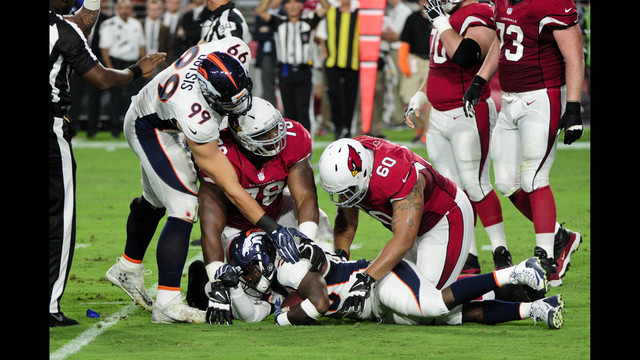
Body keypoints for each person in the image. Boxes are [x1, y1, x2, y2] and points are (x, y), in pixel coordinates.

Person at [105, 38, 303, 324]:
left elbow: (203, 45)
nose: (240, 105)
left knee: (154, 199)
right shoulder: (195, 113)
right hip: (150, 128)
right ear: (208, 96)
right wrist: (272, 228)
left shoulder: (234, 49)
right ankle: (167, 304)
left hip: (160, 110)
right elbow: (231, 188)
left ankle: (127, 267)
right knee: (184, 207)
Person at [50, 0, 166, 327]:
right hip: (50, 128)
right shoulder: (63, 29)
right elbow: (100, 78)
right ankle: (49, 305)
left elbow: (81, 22)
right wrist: (136, 71)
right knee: (59, 218)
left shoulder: (65, 28)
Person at [187, 229, 565, 329]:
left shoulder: (286, 264)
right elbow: (254, 316)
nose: (255, 277)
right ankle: (534, 309)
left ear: (267, 258)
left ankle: (517, 272)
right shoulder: (274, 275)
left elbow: (320, 302)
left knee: (433, 305)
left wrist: (285, 318)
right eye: (248, 273)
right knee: (450, 317)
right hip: (373, 305)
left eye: (254, 269)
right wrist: (227, 284)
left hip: (376, 280)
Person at [462, 0, 584, 287]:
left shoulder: (551, 3)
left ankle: (546, 259)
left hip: (543, 96)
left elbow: (574, 56)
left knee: (533, 177)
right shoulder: (502, 2)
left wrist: (574, 106)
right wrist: (480, 79)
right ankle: (561, 237)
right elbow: (502, 43)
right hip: (511, 99)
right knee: (506, 183)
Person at [187, 97, 334, 324]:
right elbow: (210, 226)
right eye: (263, 135)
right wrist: (217, 281)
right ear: (241, 137)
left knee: (319, 235)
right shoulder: (219, 152)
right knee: (240, 298)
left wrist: (308, 241)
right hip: (235, 227)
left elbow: (305, 197)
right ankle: (201, 280)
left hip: (278, 212)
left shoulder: (293, 138)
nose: (274, 137)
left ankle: (320, 276)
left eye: (275, 128)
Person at [403, 0, 515, 292]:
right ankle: (470, 254)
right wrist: (420, 95)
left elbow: (466, 55)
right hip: (439, 116)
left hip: (467, 110)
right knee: (452, 189)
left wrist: (441, 22)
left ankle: (501, 251)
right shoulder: (447, 15)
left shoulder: (478, 12)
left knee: (475, 184)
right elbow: (439, 66)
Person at [255, 0, 330, 134]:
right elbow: (260, 11)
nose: (293, 6)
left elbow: (326, 7)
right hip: (285, 71)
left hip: (304, 70)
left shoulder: (309, 21)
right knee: (289, 112)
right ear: (285, 6)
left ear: (301, 5)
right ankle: (292, 147)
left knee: (304, 111)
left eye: (296, 2)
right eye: (289, 3)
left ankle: (306, 146)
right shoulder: (279, 21)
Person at [99, 0, 147, 138]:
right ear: (117, 9)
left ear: (131, 9)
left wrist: (143, 67)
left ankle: (132, 127)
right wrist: (110, 69)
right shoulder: (109, 24)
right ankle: (115, 129)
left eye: (127, 8)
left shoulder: (136, 24)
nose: (125, 10)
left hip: (134, 63)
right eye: (122, 8)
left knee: (133, 97)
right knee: (116, 98)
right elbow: (105, 49)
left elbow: (142, 47)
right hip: (116, 63)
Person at [315, 0, 359, 140]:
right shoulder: (331, 10)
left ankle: (347, 128)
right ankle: (339, 127)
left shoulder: (359, 11)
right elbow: (321, 34)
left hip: (353, 60)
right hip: (332, 60)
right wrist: (324, 50)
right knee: (334, 94)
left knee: (350, 96)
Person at [398, 0, 432, 144]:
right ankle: (420, 126)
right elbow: (404, 41)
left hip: (432, 61)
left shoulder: (439, 16)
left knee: (431, 99)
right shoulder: (412, 17)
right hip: (415, 59)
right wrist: (403, 61)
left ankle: (426, 131)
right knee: (408, 97)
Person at [251, 0, 281, 108]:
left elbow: (280, 31)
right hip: (266, 55)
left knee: (283, 85)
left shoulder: (284, 13)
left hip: (282, 55)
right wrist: (271, 32)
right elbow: (256, 35)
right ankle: (271, 110)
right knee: (267, 85)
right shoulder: (261, 15)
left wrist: (268, 30)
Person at [141, 0, 175, 77]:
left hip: (159, 61)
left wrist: (167, 64)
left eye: (156, 9)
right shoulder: (140, 24)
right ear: (147, 10)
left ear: (161, 11)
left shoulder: (165, 28)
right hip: (142, 59)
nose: (154, 12)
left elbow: (169, 47)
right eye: (151, 9)